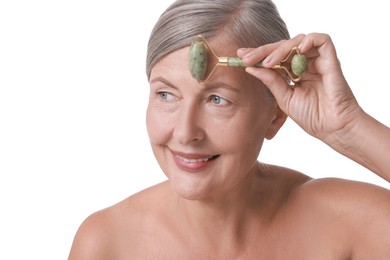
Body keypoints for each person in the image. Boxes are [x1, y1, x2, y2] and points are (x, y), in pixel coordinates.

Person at [68, 0, 390, 258]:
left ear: (276, 115)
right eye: (166, 94)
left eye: (217, 100)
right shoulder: (106, 243)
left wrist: (347, 126)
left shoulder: (341, 224)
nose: (185, 132)